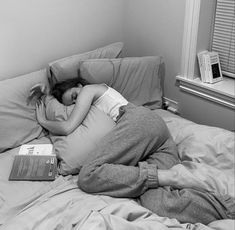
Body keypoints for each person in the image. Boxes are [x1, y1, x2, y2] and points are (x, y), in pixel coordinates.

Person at [33, 76, 232, 225]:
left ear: (78, 85)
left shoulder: (89, 89)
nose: (78, 103)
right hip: (158, 140)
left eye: (75, 97)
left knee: (88, 175)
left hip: (138, 122)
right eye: (73, 103)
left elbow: (68, 126)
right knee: (157, 202)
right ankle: (228, 208)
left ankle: (169, 177)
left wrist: (42, 120)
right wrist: (46, 93)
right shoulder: (94, 93)